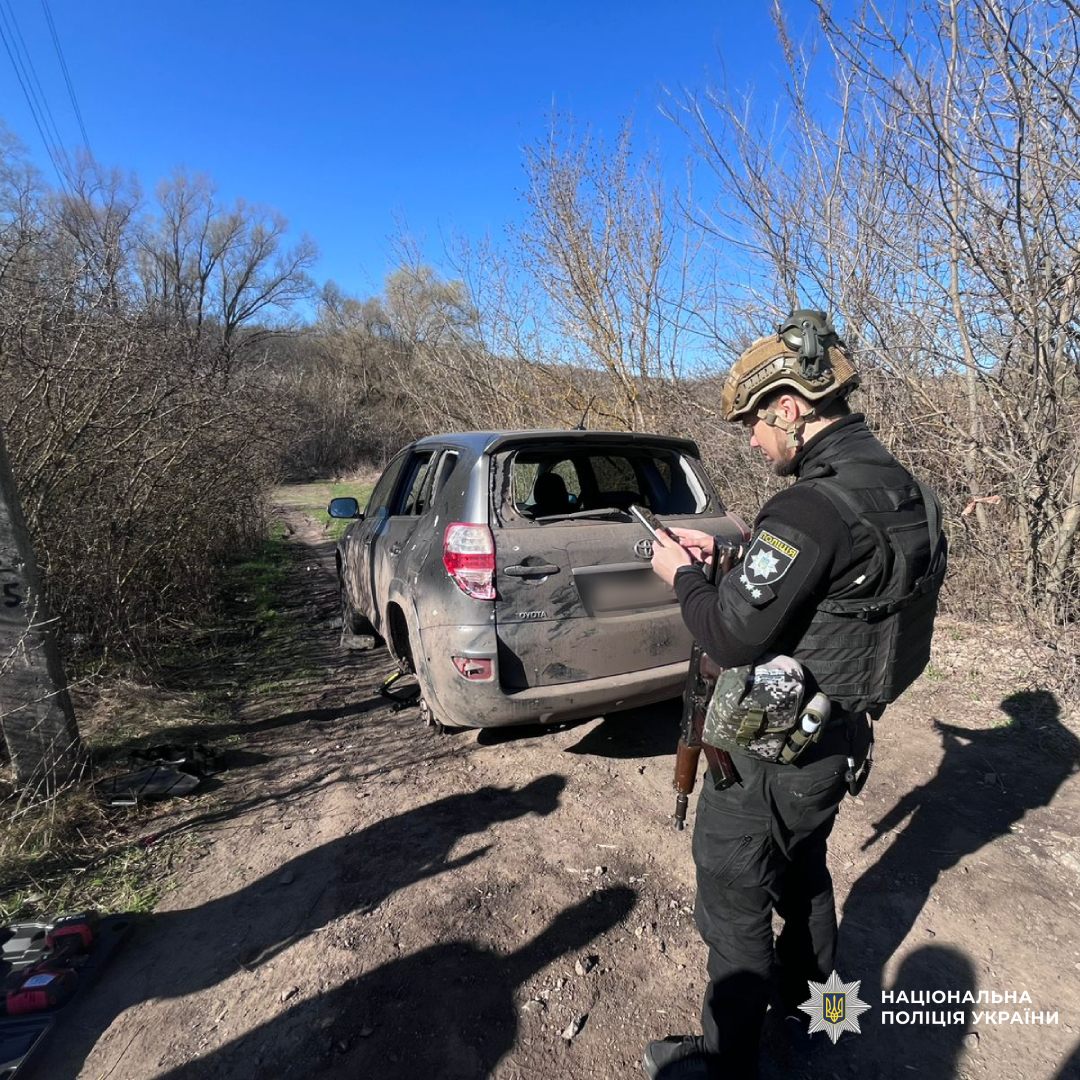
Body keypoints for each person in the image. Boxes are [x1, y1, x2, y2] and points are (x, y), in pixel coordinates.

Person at [643, 310, 947, 1079]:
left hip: (773, 752)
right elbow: (844, 583)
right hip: (841, 732)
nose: (751, 440)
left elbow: (731, 636)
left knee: (735, 895)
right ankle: (823, 1016)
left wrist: (679, 573)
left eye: (754, 422)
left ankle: (727, 1061)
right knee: (805, 871)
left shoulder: (808, 506)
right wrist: (741, 552)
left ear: (790, 408)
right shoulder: (899, 485)